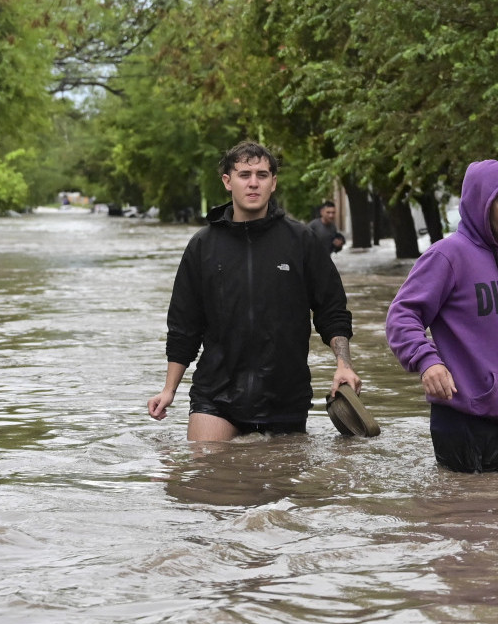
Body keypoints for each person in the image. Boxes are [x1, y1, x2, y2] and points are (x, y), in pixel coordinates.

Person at [147, 141, 361, 441]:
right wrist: (169, 390)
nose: (253, 183)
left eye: (262, 175)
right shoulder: (203, 245)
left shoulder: (302, 241)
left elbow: (332, 310)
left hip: (285, 396)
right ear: (227, 181)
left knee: (278, 484)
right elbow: (184, 325)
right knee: (205, 473)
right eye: (244, 174)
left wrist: (344, 366)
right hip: (216, 394)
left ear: (273, 182)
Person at [385, 159, 498, 472]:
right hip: (463, 420)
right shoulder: (447, 255)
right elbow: (402, 316)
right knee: (468, 518)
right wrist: (427, 361)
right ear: (480, 203)